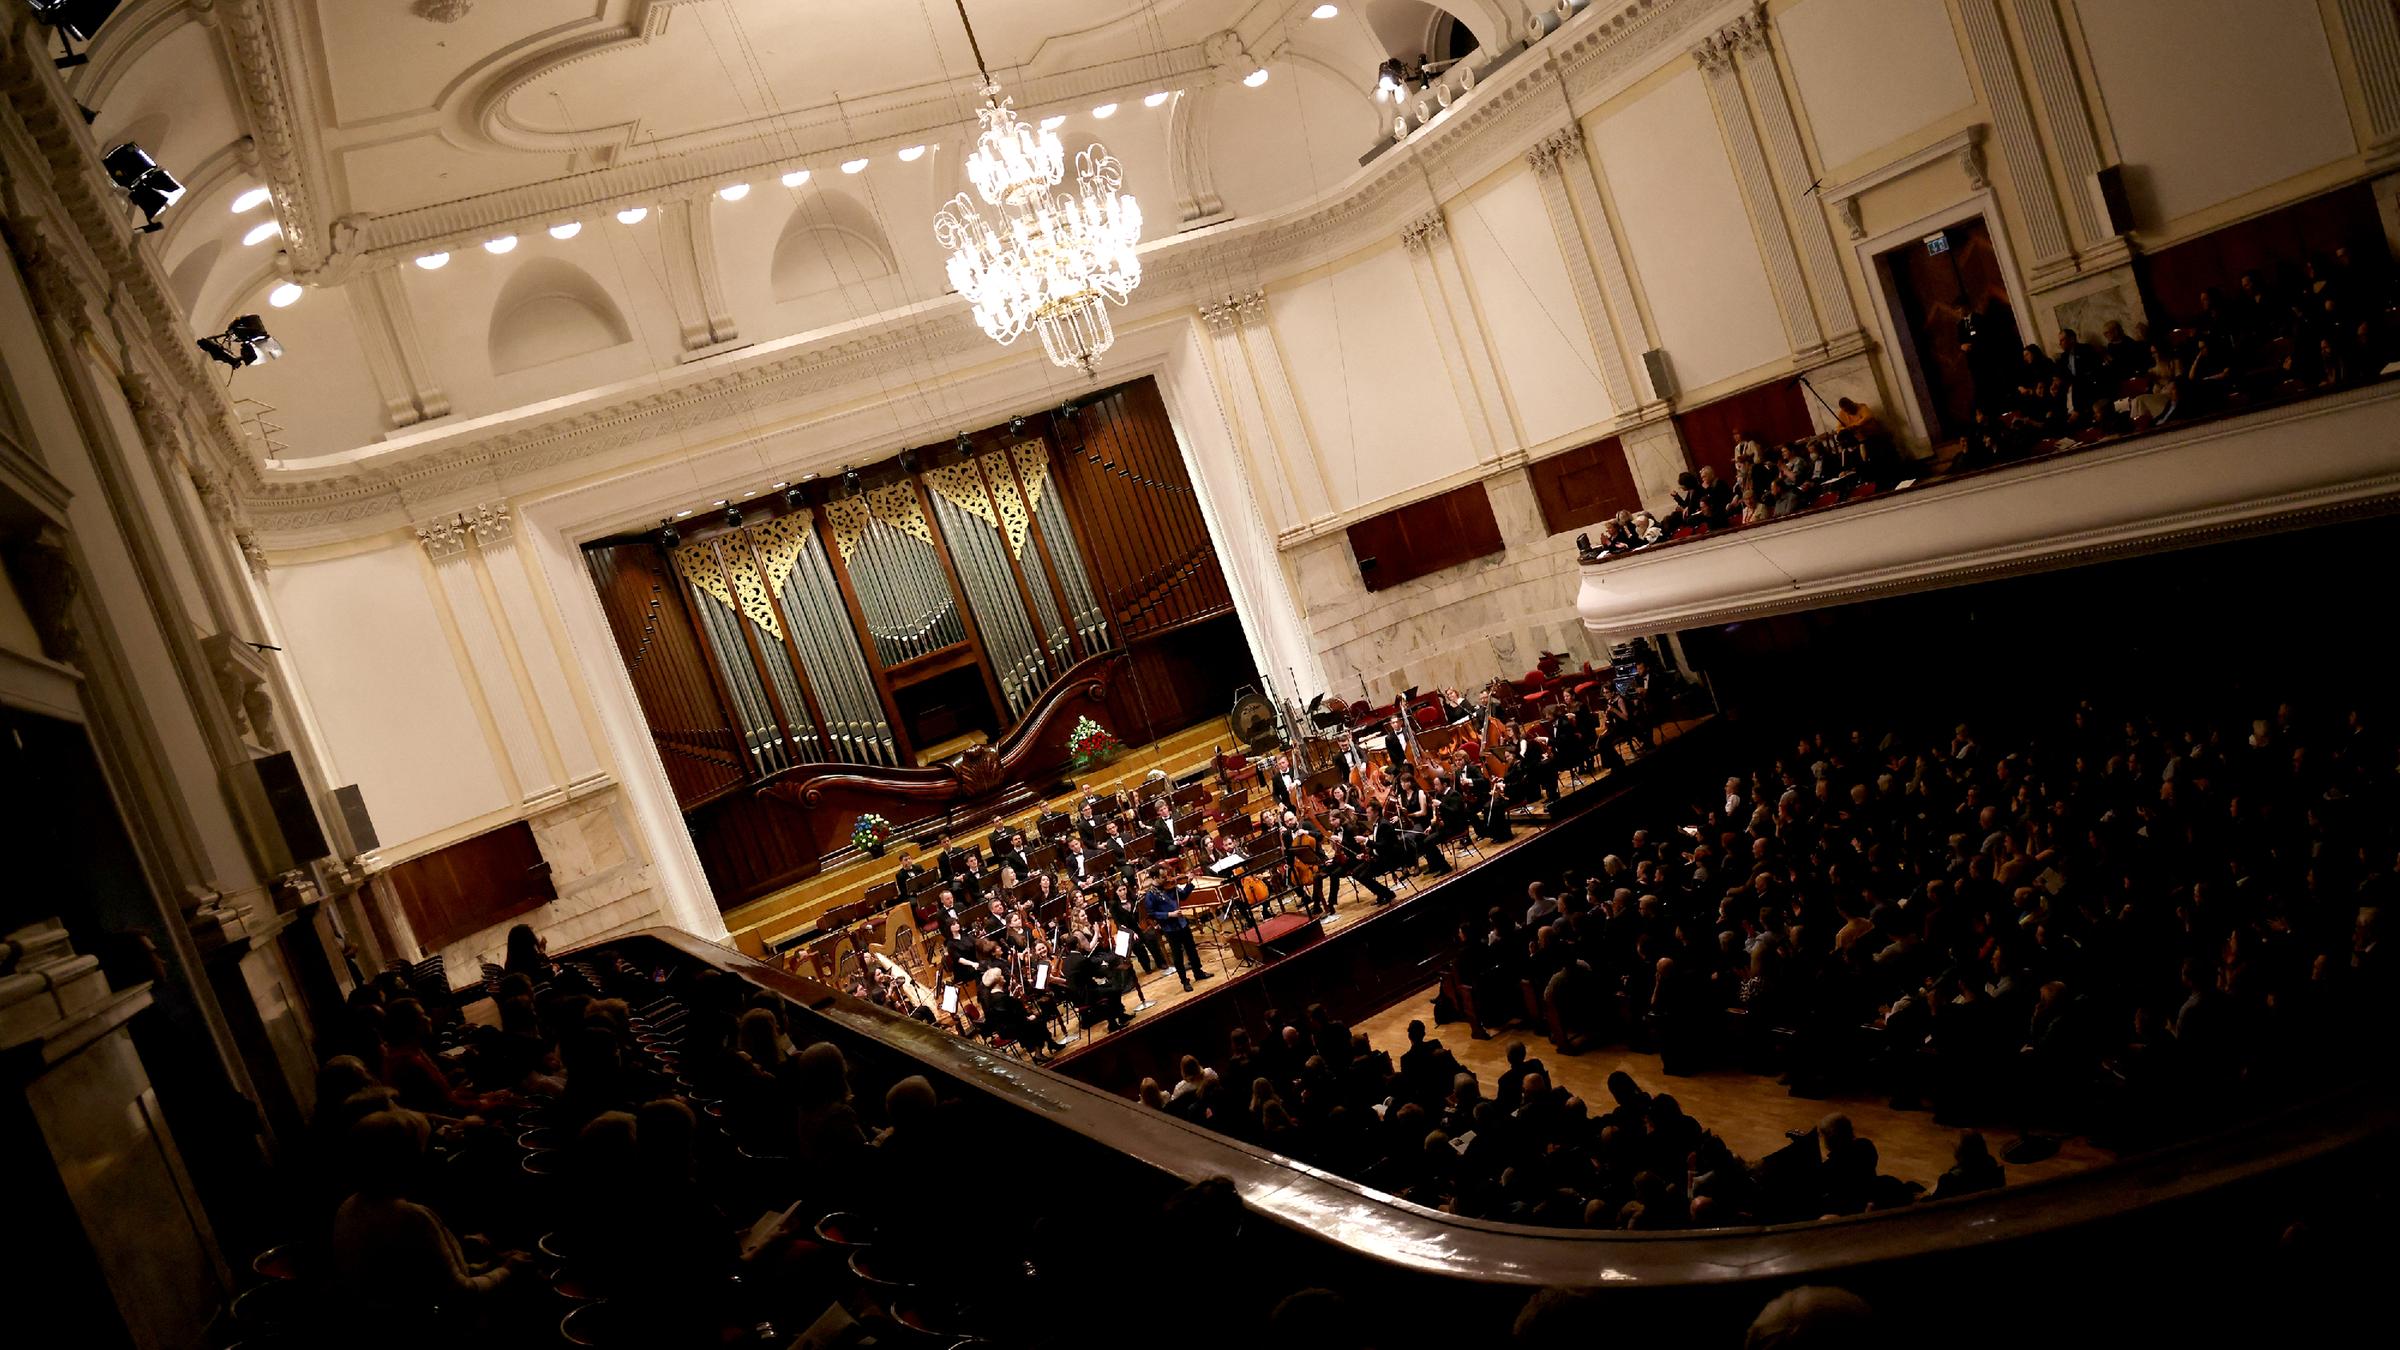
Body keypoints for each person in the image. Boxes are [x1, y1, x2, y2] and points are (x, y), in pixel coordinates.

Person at [332, 1109, 531, 1320]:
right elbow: (460, 1293)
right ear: (405, 1161)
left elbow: (427, 1275)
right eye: (425, 1149)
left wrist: (490, 1265)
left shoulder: (349, 1205)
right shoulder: (409, 1216)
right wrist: (509, 1269)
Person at [1143, 868, 1212, 991]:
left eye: (1167, 876)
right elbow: (1152, 914)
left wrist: (1189, 883)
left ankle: (1198, 972)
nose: (1167, 879)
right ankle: (1184, 981)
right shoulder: (1150, 895)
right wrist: (1170, 914)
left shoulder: (1171, 886)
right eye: (1163, 877)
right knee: (1178, 956)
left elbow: (1183, 895)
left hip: (1182, 924)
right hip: (1170, 928)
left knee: (1191, 950)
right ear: (1154, 878)